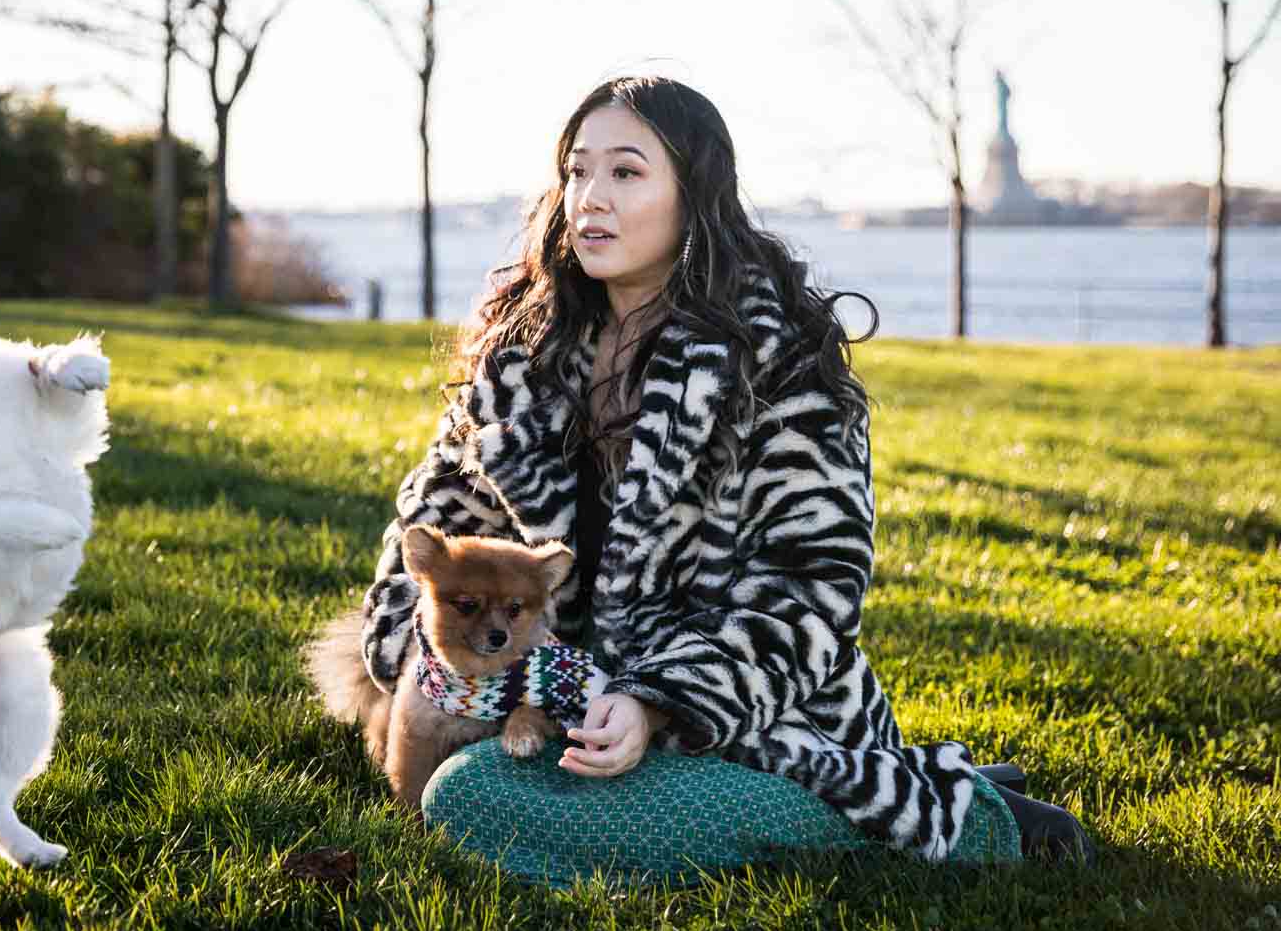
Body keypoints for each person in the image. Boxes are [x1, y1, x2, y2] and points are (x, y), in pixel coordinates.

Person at [354, 75, 1093, 885]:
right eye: (576, 170)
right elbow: (428, 528)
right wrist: (432, 665)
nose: (590, 196)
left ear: (693, 195)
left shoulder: (776, 360)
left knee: (470, 795)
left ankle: (952, 816)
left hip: (751, 718)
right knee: (463, 772)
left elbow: (810, 592)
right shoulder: (520, 356)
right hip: (549, 702)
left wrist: (656, 700)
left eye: (627, 172)